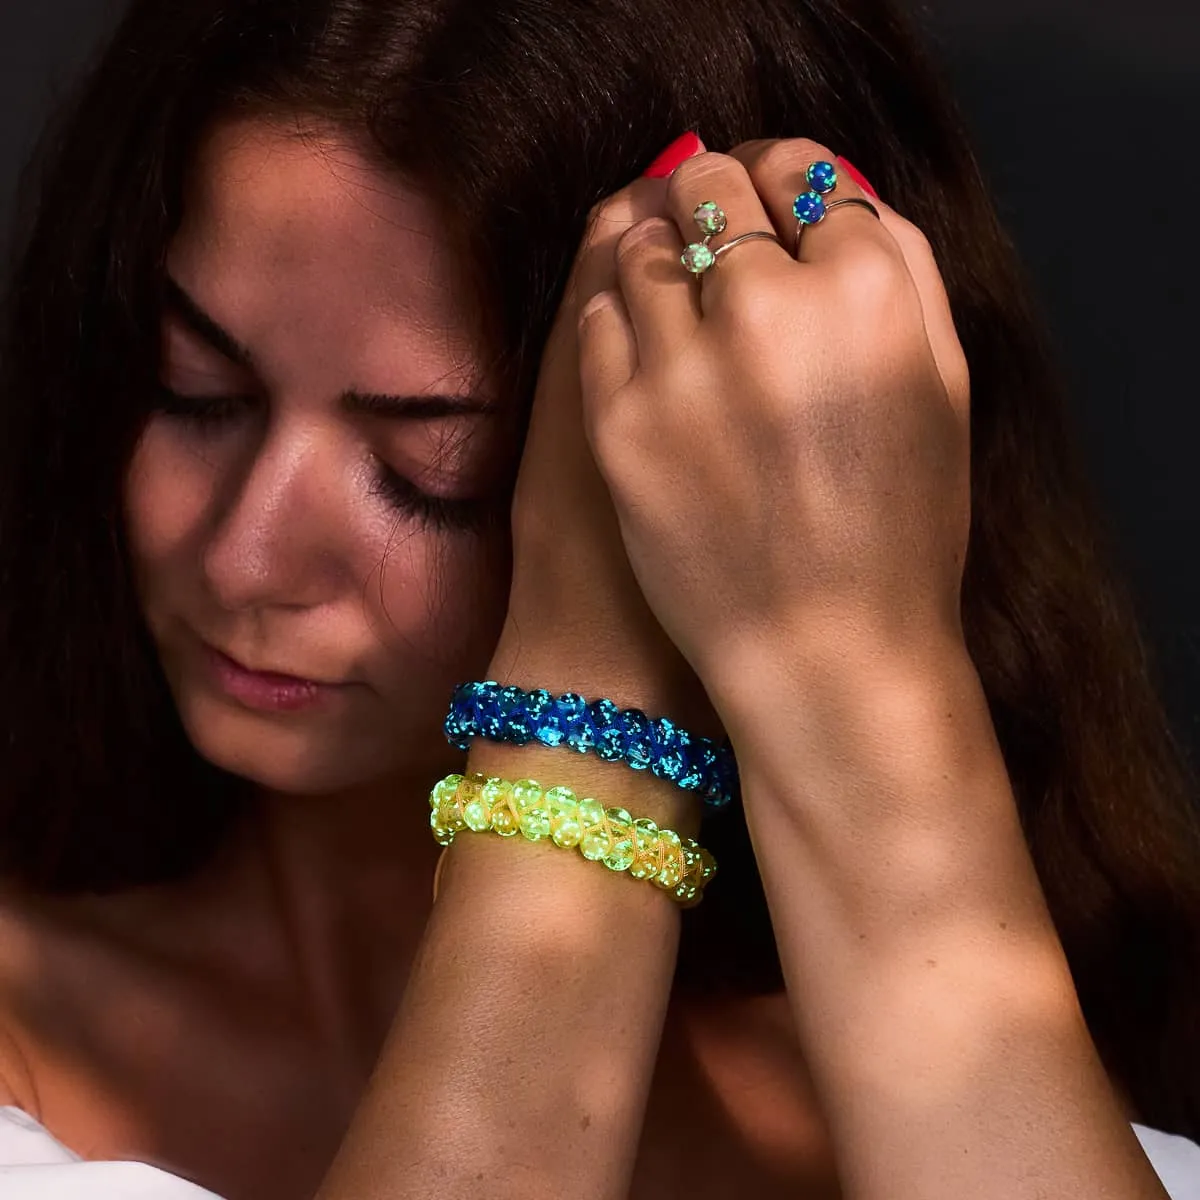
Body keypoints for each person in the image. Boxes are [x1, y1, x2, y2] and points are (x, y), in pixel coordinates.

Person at [1, 0, 1198, 1196]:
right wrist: (594, 696)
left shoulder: (1005, 1094)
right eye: (197, 393)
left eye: (432, 477)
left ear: (713, 468)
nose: (246, 558)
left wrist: (853, 656)